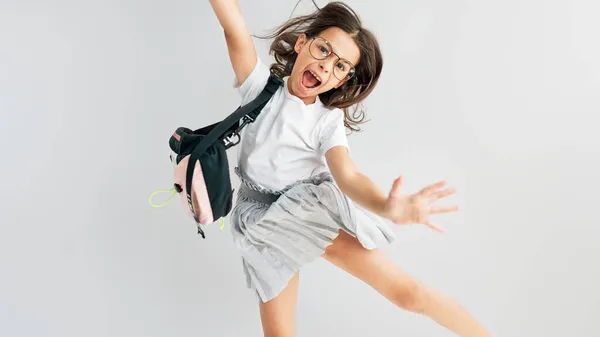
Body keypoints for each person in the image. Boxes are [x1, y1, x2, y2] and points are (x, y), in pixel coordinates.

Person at [208, 1, 491, 336]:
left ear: (342, 79)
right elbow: (234, 28)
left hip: (306, 210)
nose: (326, 66)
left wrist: (389, 205)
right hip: (260, 221)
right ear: (302, 43)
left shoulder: (326, 121)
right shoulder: (259, 88)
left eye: (340, 65)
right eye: (323, 50)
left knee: (407, 295)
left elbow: (349, 176)